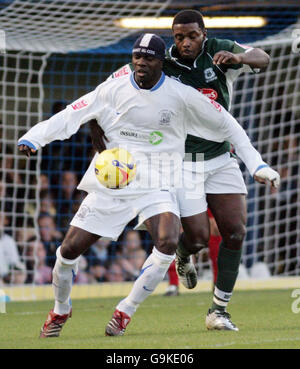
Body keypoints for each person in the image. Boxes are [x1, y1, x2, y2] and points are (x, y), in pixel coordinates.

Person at [18, 33, 279, 338]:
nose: (141, 63)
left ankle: (125, 311)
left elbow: (228, 125)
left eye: (149, 58)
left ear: (161, 62)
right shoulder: (113, 88)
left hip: (158, 179)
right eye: (137, 57)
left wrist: (257, 164)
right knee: (68, 250)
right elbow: (73, 112)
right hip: (114, 181)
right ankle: (61, 308)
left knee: (168, 241)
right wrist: (34, 137)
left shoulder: (180, 94)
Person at [94, 9, 271, 330]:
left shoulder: (221, 49)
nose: (185, 43)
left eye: (192, 36)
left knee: (235, 230)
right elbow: (107, 90)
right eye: (179, 37)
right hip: (181, 164)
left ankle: (218, 310)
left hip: (220, 158)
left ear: (204, 34)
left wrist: (239, 57)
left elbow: (263, 57)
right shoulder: (163, 62)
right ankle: (183, 253)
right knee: (200, 238)